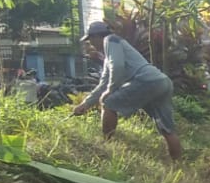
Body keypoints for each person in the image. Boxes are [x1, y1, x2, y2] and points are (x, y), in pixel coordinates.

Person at [71, 21, 183, 161]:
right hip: (161, 82)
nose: (91, 45)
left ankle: (107, 146)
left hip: (146, 81)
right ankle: (178, 163)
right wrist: (85, 104)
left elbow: (117, 67)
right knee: (166, 128)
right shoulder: (110, 54)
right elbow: (103, 84)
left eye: (90, 40)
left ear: (96, 36)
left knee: (108, 103)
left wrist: (111, 91)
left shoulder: (110, 40)